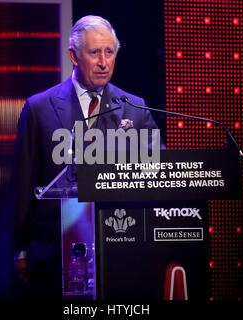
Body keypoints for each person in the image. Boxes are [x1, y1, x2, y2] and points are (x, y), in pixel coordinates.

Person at [11, 15, 161, 299]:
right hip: (52, 252)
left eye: (110, 52)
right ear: (74, 56)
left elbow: (158, 173)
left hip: (120, 248)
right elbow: (23, 183)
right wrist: (20, 248)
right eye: (94, 53)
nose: (104, 62)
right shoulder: (39, 108)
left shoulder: (135, 108)